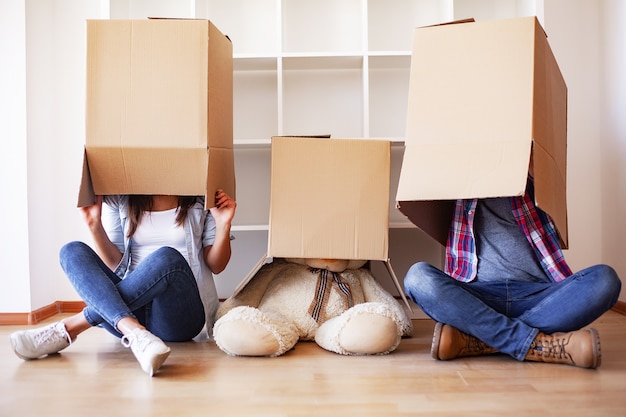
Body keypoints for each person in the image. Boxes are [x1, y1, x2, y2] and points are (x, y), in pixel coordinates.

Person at [404, 175, 621, 369]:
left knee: (605, 280)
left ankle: (480, 339)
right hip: (478, 297)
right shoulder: (462, 180)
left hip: (539, 297)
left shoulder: (535, 178)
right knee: (418, 278)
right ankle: (537, 344)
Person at [10, 190, 236, 376]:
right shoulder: (122, 196)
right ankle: (136, 333)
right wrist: (93, 224)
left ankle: (72, 326)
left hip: (178, 313)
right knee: (71, 251)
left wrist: (223, 224)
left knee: (166, 257)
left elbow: (216, 265)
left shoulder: (200, 197)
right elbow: (115, 264)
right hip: (132, 311)